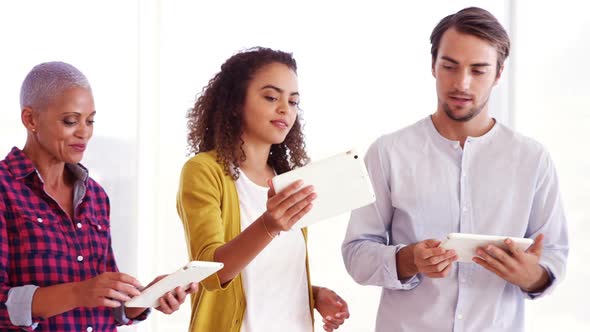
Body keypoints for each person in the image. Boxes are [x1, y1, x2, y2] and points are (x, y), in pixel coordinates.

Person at [341, 7, 568, 332]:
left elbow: (555, 253)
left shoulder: (532, 159)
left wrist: (531, 276)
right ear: (433, 65)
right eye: (450, 66)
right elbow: (356, 253)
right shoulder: (388, 152)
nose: (462, 83)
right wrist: (409, 259)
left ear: (499, 74)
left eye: (478, 70)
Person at [0, 61, 197, 331]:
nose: (84, 132)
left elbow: (107, 304)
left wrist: (148, 296)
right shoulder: (4, 188)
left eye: (90, 121)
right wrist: (78, 292)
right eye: (70, 121)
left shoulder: (95, 195)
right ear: (30, 119)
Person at [177, 47, 350, 332]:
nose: (285, 109)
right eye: (271, 97)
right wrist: (268, 225)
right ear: (235, 102)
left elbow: (264, 276)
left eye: (293, 102)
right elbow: (209, 272)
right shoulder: (203, 171)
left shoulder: (289, 181)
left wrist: (314, 295)